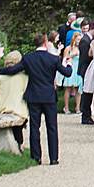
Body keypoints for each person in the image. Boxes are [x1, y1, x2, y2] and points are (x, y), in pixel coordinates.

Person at [15, 32, 73, 164]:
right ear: (46, 42)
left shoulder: (28, 58)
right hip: (48, 96)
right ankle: (53, 157)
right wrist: (68, 64)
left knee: (34, 127)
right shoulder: (53, 59)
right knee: (51, 127)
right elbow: (67, 73)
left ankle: (36, 156)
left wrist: (1, 71)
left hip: (34, 95)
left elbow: (15, 69)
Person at [0, 47, 30, 152]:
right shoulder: (24, 77)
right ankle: (19, 144)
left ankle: (13, 145)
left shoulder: (1, 77)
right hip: (18, 109)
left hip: (1, 108)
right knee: (18, 125)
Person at [59, 35, 83, 113]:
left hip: (78, 69)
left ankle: (77, 107)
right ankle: (66, 107)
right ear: (74, 39)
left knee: (78, 88)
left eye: (80, 40)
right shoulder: (68, 48)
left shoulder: (81, 48)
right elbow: (64, 59)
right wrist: (73, 55)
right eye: (77, 39)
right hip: (71, 67)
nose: (78, 41)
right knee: (68, 88)